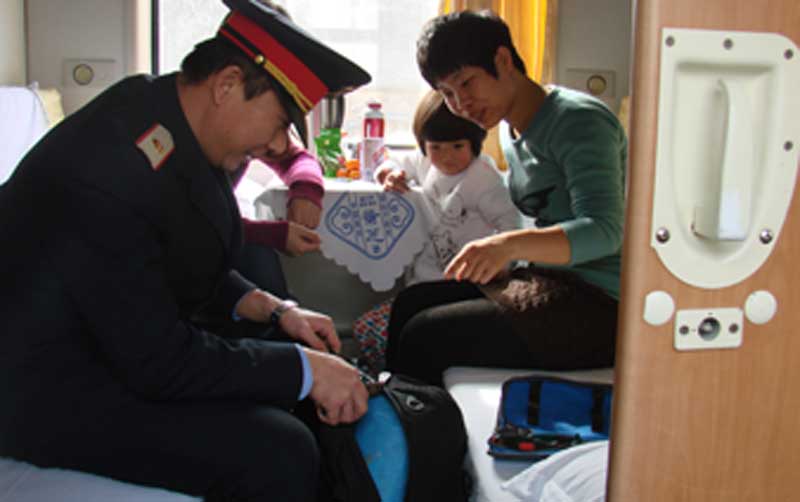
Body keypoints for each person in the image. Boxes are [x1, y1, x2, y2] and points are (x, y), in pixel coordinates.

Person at [0, 1, 373, 500]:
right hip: (44, 390)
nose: (276, 143)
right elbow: (159, 361)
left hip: (105, 344)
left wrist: (274, 308)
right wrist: (304, 372)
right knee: (280, 450)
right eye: (279, 121)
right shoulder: (107, 169)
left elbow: (173, 250)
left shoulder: (163, 115)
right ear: (227, 85)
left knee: (286, 366)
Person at [385, 10, 627, 386]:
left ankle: (422, 420)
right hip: (549, 280)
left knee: (425, 335)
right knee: (409, 303)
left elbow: (606, 230)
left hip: (599, 303)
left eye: (466, 83)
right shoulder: (511, 130)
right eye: (447, 94)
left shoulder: (579, 121)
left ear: (502, 60)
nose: (460, 104)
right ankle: (397, 408)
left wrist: (507, 246)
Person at [353, 89, 519, 375]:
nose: (446, 157)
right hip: (426, 277)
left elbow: (510, 223)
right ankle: (390, 375)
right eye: (436, 147)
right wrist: (388, 173)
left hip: (469, 283)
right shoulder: (426, 161)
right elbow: (394, 162)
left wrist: (502, 265)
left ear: (475, 142)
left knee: (407, 320)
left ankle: (400, 379)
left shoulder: (482, 179)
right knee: (373, 323)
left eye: (457, 146)